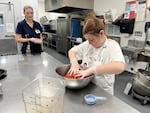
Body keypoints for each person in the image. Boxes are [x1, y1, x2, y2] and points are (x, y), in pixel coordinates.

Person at [68, 17, 125, 95]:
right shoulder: (88, 44)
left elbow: (120, 67)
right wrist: (74, 64)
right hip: (87, 86)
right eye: (88, 40)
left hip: (103, 91)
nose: (89, 43)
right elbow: (71, 51)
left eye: (92, 40)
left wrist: (91, 70)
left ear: (101, 33)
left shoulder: (112, 46)